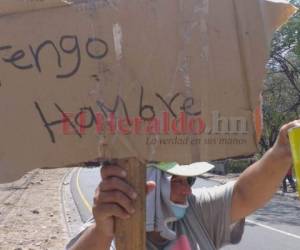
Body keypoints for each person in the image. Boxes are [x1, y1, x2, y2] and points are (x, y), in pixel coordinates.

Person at [66, 120, 299, 250]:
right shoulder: (108, 222)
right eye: (176, 180)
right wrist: (102, 232)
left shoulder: (196, 211)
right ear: (149, 179)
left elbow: (243, 193)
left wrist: (281, 151)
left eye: (190, 180)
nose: (188, 189)